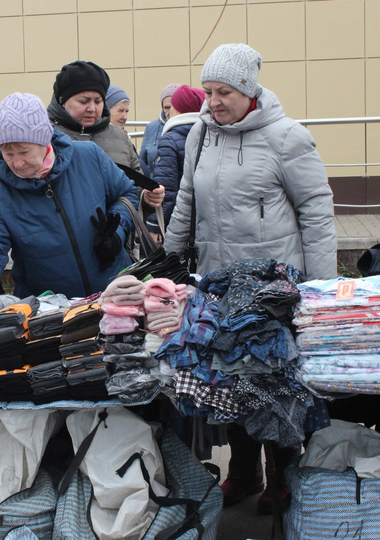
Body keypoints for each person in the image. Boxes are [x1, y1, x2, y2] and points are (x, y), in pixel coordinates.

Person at [163, 43, 337, 514]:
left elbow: (317, 216)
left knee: (276, 385)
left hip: (272, 290)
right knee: (231, 382)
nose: (213, 101)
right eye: (208, 91)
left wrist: (320, 293)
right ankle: (244, 473)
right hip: (218, 283)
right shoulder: (200, 133)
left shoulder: (287, 138)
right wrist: (169, 257)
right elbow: (185, 202)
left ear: (249, 91)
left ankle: (285, 475)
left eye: (224, 92)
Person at [0, 93, 140, 326]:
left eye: (24, 151)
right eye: (8, 153)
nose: (17, 163)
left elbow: (127, 194)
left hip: (115, 298)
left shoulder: (88, 157)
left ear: (45, 141)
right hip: (51, 316)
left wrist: (117, 231)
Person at [146, 85, 206, 241]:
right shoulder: (209, 134)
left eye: (172, 106)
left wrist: (155, 224)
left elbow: (166, 187)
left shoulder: (170, 139)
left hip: (176, 221)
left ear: (180, 110)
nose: (168, 111)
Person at [139, 83, 180, 176]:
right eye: (166, 107)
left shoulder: (190, 127)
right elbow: (142, 162)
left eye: (174, 106)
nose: (170, 111)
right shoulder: (151, 127)